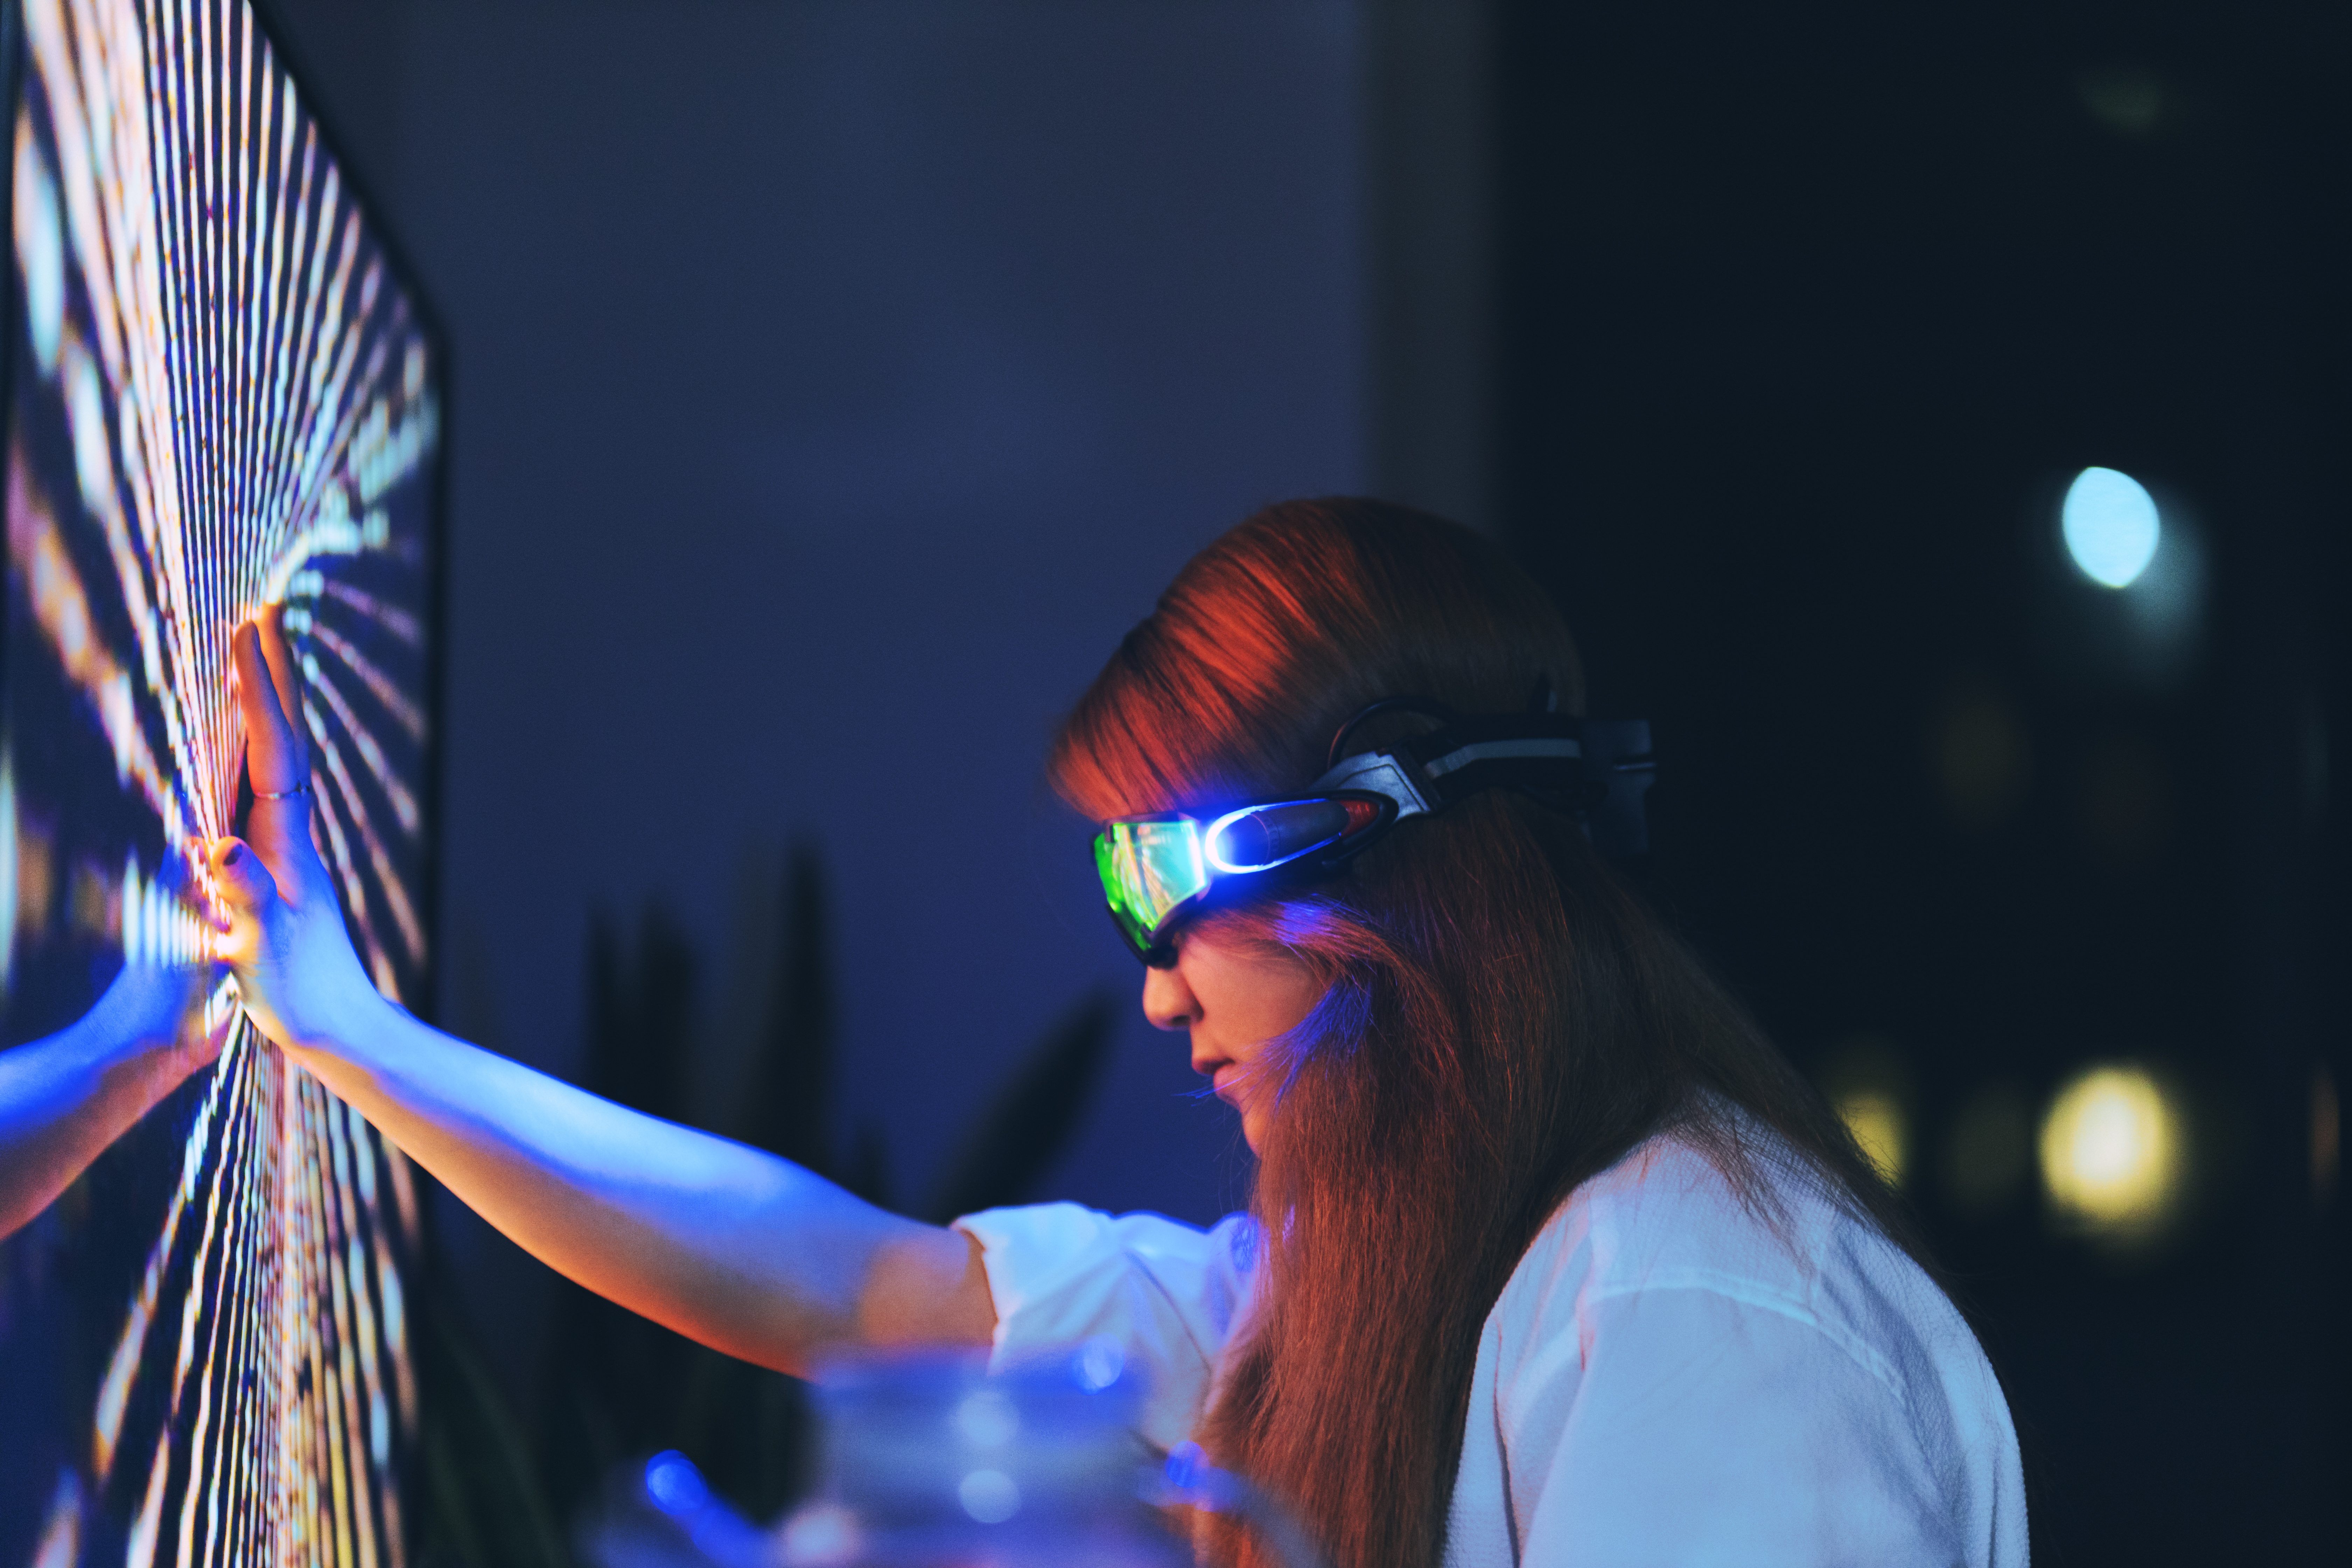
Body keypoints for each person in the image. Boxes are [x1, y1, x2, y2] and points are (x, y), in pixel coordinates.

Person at [209, 500, 2026, 1567]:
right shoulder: (1380, 1294)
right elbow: (856, 1294)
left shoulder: (1692, 1308)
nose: (1153, 981)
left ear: (1362, 861)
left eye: (1166, 892)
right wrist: (343, 1028)